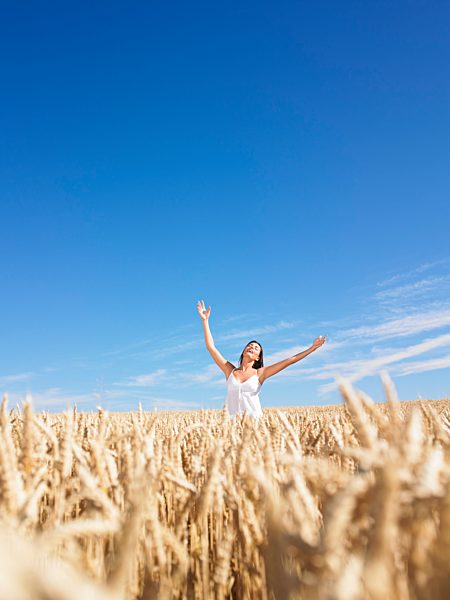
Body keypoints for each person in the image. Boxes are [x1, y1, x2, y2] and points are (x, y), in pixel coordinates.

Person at [197, 300, 327, 418]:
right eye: (249, 345)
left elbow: (290, 360)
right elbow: (211, 347)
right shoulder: (229, 370)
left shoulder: (260, 373)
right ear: (243, 351)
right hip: (232, 427)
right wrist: (205, 321)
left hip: (255, 426)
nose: (251, 347)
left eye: (256, 348)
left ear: (258, 357)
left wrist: (312, 348)